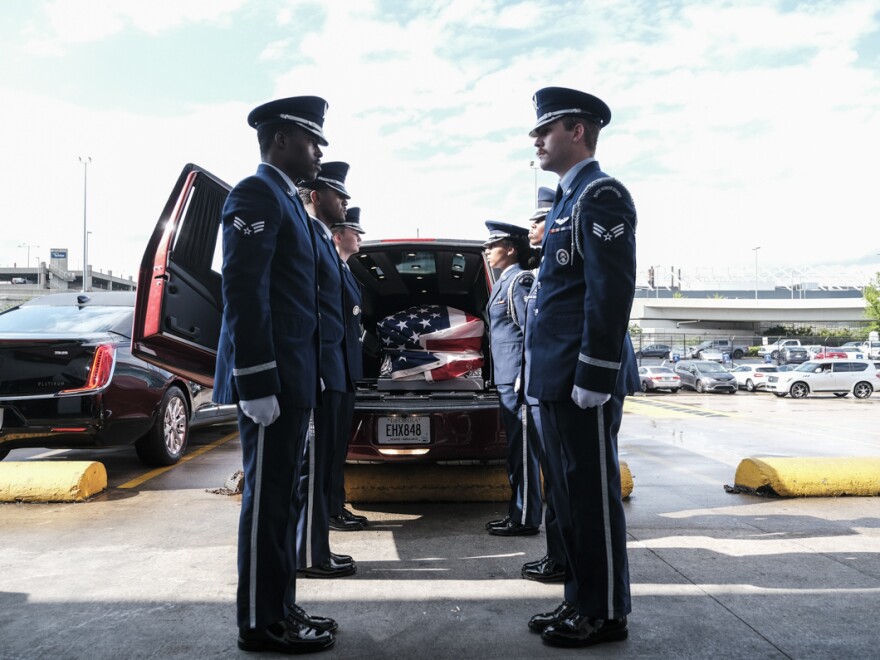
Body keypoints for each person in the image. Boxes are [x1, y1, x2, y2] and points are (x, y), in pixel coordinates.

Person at [215, 96, 336, 654]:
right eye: (312, 141)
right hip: (275, 379)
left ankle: (280, 606)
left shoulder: (292, 203)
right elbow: (244, 290)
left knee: (283, 498)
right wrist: (257, 380)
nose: (318, 152)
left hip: (296, 376)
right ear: (281, 139)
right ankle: (261, 624)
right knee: (266, 502)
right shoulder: (257, 193)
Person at [524, 86, 639, 649]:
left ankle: (605, 610)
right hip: (555, 377)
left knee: (591, 498)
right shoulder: (568, 201)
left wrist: (595, 372)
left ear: (578, 131)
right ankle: (578, 601)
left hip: (580, 379)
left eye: (546, 129)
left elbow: (609, 292)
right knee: (568, 499)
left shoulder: (601, 195)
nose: (536, 140)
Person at [295, 162, 360, 580]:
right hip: (322, 371)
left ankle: (316, 549)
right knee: (312, 467)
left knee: (321, 466)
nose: (346, 203)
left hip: (334, 371)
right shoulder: (311, 240)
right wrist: (317, 369)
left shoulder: (322, 244)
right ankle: (308, 554)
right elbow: (310, 314)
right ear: (317, 196)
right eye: (340, 195)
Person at [482, 221, 543, 537]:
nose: (488, 250)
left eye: (493, 246)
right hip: (507, 380)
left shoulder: (519, 281)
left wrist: (522, 377)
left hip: (517, 382)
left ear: (510, 249)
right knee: (515, 452)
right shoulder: (504, 282)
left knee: (522, 454)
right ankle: (518, 514)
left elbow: (528, 334)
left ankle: (525, 518)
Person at [519, 186, 566, 583]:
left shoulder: (559, 262)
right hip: (545, 384)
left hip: (563, 384)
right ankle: (559, 559)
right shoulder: (544, 267)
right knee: (557, 482)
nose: (530, 228)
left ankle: (568, 565)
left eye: (536, 220)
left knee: (568, 485)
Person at [328, 206, 368, 529]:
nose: (360, 238)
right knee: (330, 449)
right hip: (334, 373)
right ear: (339, 235)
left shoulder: (346, 272)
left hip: (346, 373)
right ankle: (331, 510)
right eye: (355, 232)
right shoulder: (331, 269)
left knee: (338, 447)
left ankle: (336, 506)